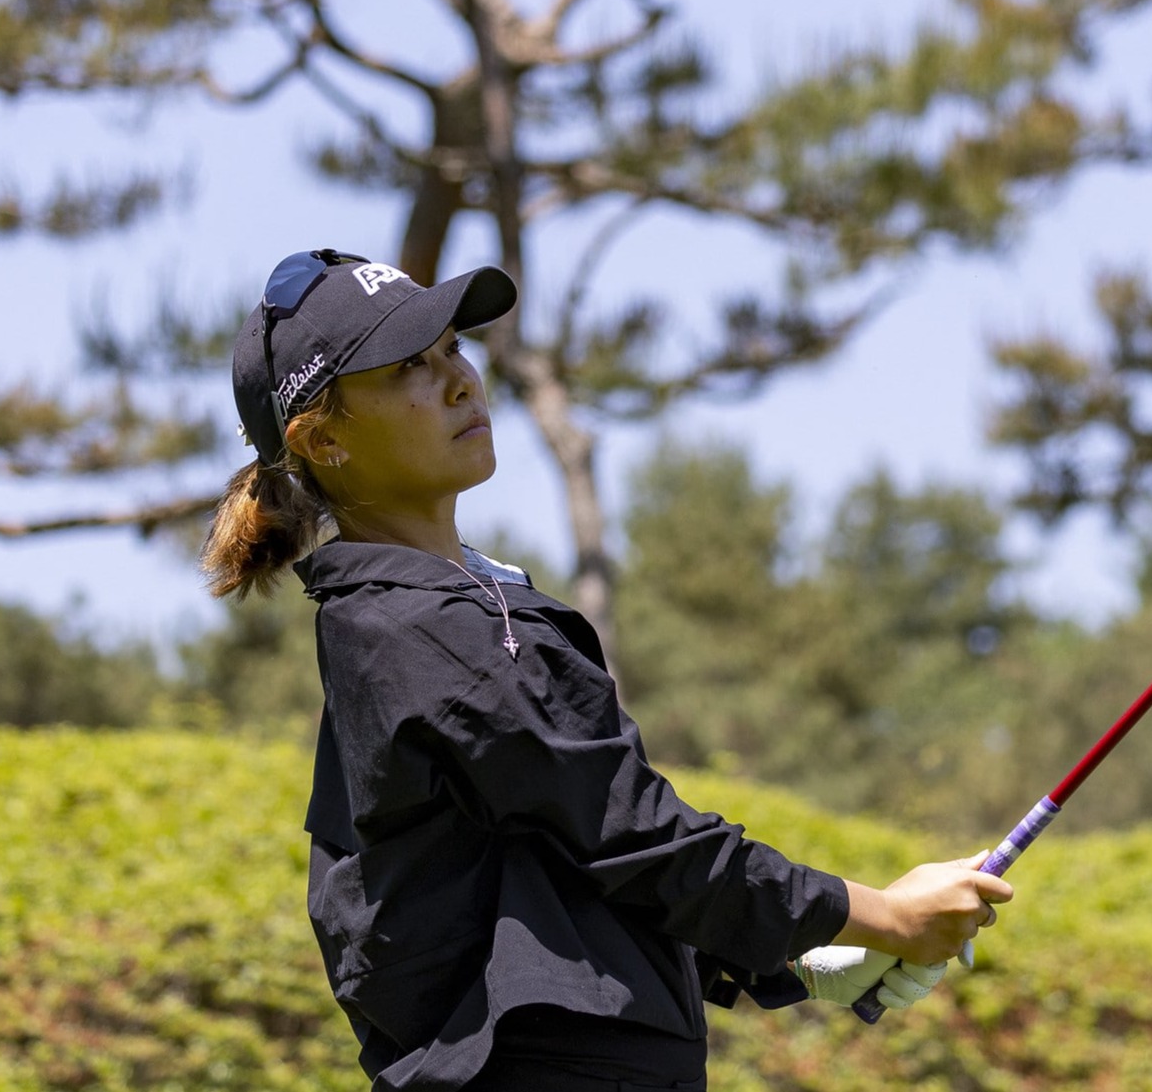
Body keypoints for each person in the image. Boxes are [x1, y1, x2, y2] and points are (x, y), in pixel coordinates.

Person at [200, 249, 1015, 1091]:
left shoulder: (429, 617)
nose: (459, 381)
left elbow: (560, 876)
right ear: (324, 437)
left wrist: (801, 962)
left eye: (451, 349)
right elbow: (640, 837)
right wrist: (884, 914)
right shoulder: (434, 630)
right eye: (409, 365)